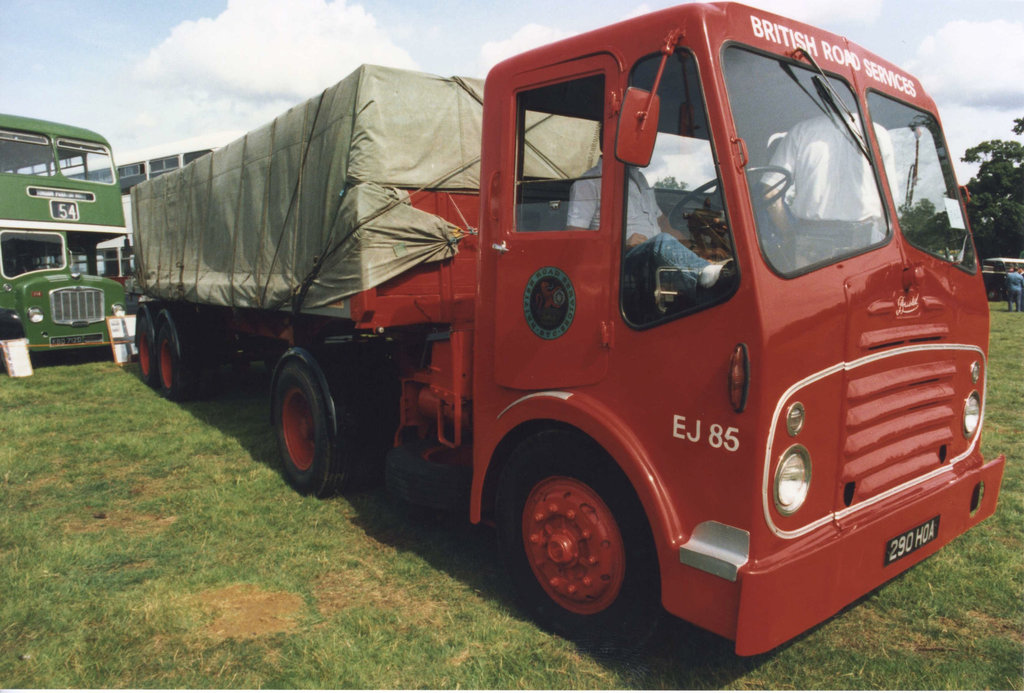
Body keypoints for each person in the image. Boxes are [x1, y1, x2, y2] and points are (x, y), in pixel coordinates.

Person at [567, 157, 723, 302]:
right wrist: (620, 244)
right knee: (661, 242)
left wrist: (697, 250)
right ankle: (707, 275)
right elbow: (575, 239)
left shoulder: (640, 179)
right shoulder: (589, 183)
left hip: (656, 259)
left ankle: (709, 272)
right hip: (621, 262)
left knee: (665, 241)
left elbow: (665, 226)